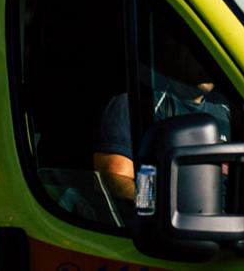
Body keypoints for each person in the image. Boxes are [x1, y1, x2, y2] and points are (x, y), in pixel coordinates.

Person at [93, 37, 230, 203]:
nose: (210, 60)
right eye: (200, 50)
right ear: (171, 49)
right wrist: (161, 206)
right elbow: (113, 179)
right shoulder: (140, 105)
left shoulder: (230, 112)